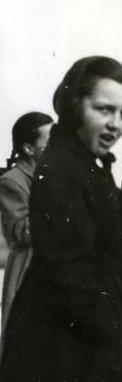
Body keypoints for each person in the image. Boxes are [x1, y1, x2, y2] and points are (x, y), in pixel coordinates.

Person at [0, 56, 122, 382]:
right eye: (104, 109)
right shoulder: (63, 170)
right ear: (74, 104)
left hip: (77, 354)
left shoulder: (85, 166)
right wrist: (116, 335)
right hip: (67, 359)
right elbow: (72, 272)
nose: (116, 123)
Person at [0, 111, 53, 331]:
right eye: (50, 141)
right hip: (28, 271)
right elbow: (21, 233)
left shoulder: (55, 175)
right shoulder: (11, 181)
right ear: (28, 149)